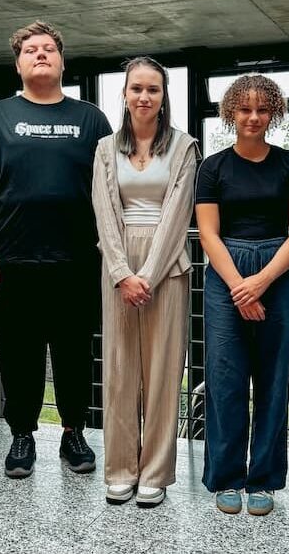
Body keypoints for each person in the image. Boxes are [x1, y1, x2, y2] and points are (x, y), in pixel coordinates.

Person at [0, 20, 112, 479]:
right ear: (18, 63)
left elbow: (109, 188)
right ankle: (22, 435)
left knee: (74, 354)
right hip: (13, 263)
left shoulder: (91, 119)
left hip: (78, 262)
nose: (40, 54)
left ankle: (73, 432)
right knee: (17, 355)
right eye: (31, 49)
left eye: (48, 48)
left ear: (62, 61)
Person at [195, 74, 289, 516]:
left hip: (277, 272)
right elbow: (208, 233)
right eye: (244, 108)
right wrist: (239, 288)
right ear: (230, 112)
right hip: (226, 274)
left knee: (273, 379)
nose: (253, 117)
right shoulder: (214, 167)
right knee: (225, 382)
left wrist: (260, 281)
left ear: (275, 113)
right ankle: (226, 477)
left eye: (263, 109)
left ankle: (262, 479)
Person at [92, 57, 198, 507]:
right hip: (116, 265)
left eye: (153, 89)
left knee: (162, 371)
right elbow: (102, 208)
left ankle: (154, 472)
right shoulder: (104, 148)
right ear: (124, 93)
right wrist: (122, 273)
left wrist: (148, 275)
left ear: (163, 95)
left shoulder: (185, 146)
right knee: (119, 370)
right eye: (136, 88)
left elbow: (178, 214)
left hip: (167, 264)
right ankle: (119, 469)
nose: (144, 96)